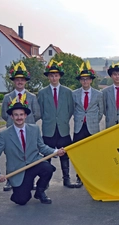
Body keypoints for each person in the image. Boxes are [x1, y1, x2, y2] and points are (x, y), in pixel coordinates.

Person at [0, 98, 66, 205]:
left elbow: (42, 147)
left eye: (21, 114)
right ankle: (24, 188)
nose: (19, 117)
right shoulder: (4, 135)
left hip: (34, 163)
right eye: (16, 115)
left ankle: (40, 191)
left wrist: (55, 151)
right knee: (21, 200)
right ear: (12, 117)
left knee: (48, 168)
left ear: (25, 116)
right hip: (18, 169)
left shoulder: (34, 129)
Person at [0, 61, 41, 192]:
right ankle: (9, 181)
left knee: (30, 156)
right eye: (17, 80)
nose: (20, 82)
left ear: (25, 81)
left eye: (22, 80)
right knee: (11, 156)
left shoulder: (32, 97)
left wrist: (27, 123)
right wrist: (15, 123)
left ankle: (31, 180)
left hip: (27, 132)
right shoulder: (8, 97)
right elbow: (4, 114)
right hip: (13, 131)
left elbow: (37, 113)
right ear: (14, 81)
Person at [37, 59, 77, 188]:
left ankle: (66, 179)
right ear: (48, 77)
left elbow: (70, 109)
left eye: (56, 75)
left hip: (63, 129)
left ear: (59, 76)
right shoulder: (42, 93)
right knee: (47, 155)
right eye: (51, 75)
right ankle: (45, 181)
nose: (54, 78)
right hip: (49, 129)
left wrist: (63, 119)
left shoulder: (67, 92)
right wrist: (50, 119)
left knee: (64, 154)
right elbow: (40, 110)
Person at [72, 60, 104, 188]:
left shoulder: (98, 94)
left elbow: (101, 110)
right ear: (80, 81)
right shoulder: (74, 94)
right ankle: (79, 176)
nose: (85, 81)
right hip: (79, 127)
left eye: (87, 79)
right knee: (79, 154)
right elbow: (72, 109)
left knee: (92, 153)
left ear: (91, 80)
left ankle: (92, 176)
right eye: (82, 79)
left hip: (92, 127)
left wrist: (94, 120)